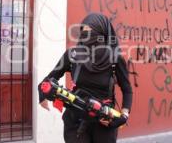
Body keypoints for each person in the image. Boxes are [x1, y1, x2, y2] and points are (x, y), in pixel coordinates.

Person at [38, 13, 133, 143]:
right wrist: (43, 94)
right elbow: (49, 79)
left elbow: (127, 89)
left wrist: (124, 115)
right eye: (84, 32)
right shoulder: (72, 55)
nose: (86, 36)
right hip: (75, 122)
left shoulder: (115, 59)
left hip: (104, 121)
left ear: (103, 34)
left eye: (91, 32)